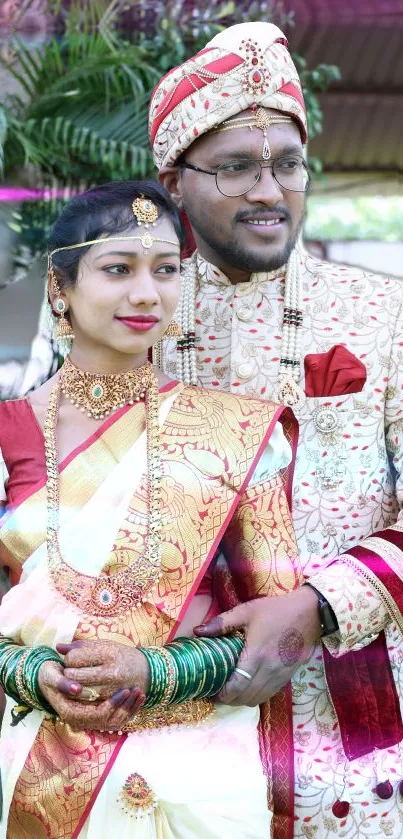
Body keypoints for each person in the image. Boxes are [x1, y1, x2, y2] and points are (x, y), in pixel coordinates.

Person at [148, 20, 403, 839]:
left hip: (355, 737)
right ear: (173, 179)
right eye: (234, 166)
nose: (269, 189)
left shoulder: (382, 313)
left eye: (285, 163)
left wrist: (322, 603)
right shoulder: (126, 323)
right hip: (170, 721)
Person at [0, 179, 303, 838]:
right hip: (45, 775)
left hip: (201, 779)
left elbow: (282, 636)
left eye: (165, 269)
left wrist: (155, 671)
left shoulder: (236, 432)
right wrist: (27, 668)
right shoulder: (8, 433)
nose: (147, 293)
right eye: (118, 269)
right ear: (61, 287)